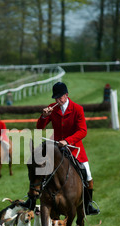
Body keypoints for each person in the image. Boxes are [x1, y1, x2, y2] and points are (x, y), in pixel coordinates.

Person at [37, 82, 100, 215]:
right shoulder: (51, 108)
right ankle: (32, 198)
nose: (57, 100)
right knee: (39, 168)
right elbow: (39, 128)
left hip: (74, 149)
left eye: (60, 97)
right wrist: (43, 116)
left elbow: (83, 131)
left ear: (66, 95)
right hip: (56, 149)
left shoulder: (77, 109)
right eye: (55, 98)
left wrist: (67, 141)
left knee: (87, 174)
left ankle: (88, 204)